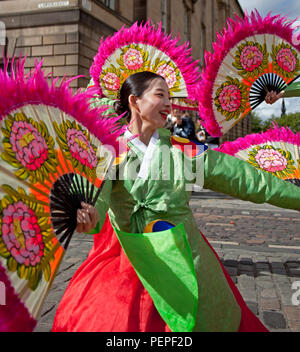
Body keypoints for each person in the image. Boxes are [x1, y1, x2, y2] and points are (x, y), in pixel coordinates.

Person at [52, 71, 300, 332]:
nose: (169, 103)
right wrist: (90, 216)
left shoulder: (183, 149)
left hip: (184, 258)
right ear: (134, 102)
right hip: (129, 263)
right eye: (160, 95)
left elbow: (246, 179)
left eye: (169, 96)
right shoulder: (110, 151)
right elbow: (97, 199)